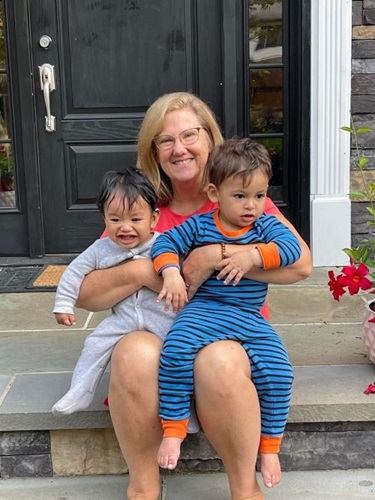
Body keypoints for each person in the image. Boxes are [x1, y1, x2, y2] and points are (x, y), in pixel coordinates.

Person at [76, 92, 312, 500]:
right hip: (159, 329)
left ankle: (245, 489)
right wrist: (148, 271)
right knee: (131, 352)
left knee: (219, 360)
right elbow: (87, 294)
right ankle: (144, 487)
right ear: (153, 150)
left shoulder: (243, 196)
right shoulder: (142, 207)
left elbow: (301, 265)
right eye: (165, 140)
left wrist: (218, 256)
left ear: (209, 139)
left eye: (189, 135)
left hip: (229, 329)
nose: (179, 148)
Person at [151, 138, 301, 486]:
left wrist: (252, 255)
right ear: (215, 194)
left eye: (260, 195)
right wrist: (171, 272)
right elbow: (164, 242)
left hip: (248, 316)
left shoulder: (265, 227)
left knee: (279, 372)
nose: (252, 205)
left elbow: (293, 249)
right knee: (174, 352)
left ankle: (269, 446)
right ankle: (173, 428)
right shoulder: (201, 225)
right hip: (204, 309)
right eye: (240, 196)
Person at [52, 168, 175, 415]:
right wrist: (64, 304)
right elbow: (74, 273)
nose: (125, 228)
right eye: (115, 219)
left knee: (178, 355)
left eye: (135, 219)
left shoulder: (165, 242)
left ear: (153, 218)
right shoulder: (101, 249)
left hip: (163, 317)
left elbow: (183, 271)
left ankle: (182, 413)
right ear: (104, 218)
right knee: (95, 342)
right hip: (124, 319)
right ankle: (80, 390)